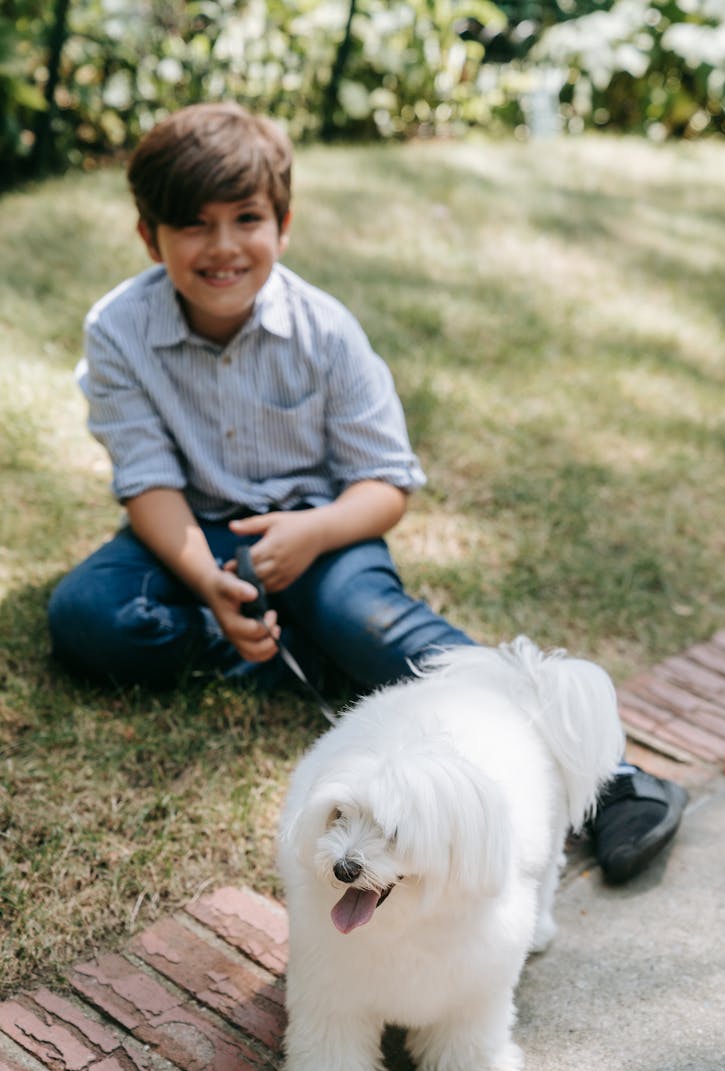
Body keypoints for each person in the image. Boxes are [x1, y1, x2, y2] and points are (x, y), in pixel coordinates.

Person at [48, 102, 686, 884]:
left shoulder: (326, 331)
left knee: (378, 625)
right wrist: (206, 581)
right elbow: (145, 480)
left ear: (283, 224)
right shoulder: (118, 328)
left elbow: (386, 485)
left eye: (245, 218)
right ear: (150, 236)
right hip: (197, 527)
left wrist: (314, 535)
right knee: (88, 617)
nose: (221, 247)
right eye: (191, 225)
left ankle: (613, 777)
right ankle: (301, 646)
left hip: (325, 530)